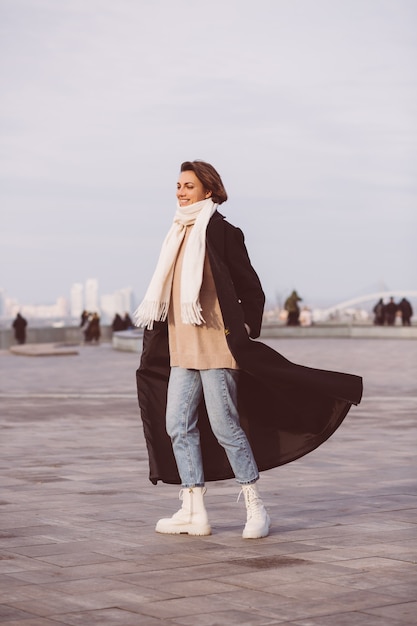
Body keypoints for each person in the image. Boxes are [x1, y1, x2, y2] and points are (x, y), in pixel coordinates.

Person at [135, 160, 363, 540]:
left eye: (188, 186)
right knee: (177, 425)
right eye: (178, 185)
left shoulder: (223, 233)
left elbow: (250, 287)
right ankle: (193, 509)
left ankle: (255, 505)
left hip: (216, 347)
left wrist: (242, 329)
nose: (180, 191)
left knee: (226, 428)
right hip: (181, 349)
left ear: (209, 191)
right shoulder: (175, 234)